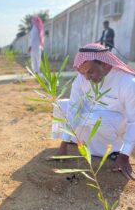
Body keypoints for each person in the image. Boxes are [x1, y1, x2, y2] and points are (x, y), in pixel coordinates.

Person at [52, 43, 135, 180]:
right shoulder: (82, 78)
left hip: (117, 124)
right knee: (61, 106)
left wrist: (125, 155)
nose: (86, 78)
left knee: (93, 118)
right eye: (83, 72)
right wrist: (64, 143)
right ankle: (76, 140)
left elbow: (134, 121)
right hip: (92, 114)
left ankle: (114, 151)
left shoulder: (128, 83)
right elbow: (74, 108)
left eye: (90, 72)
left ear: (106, 65)